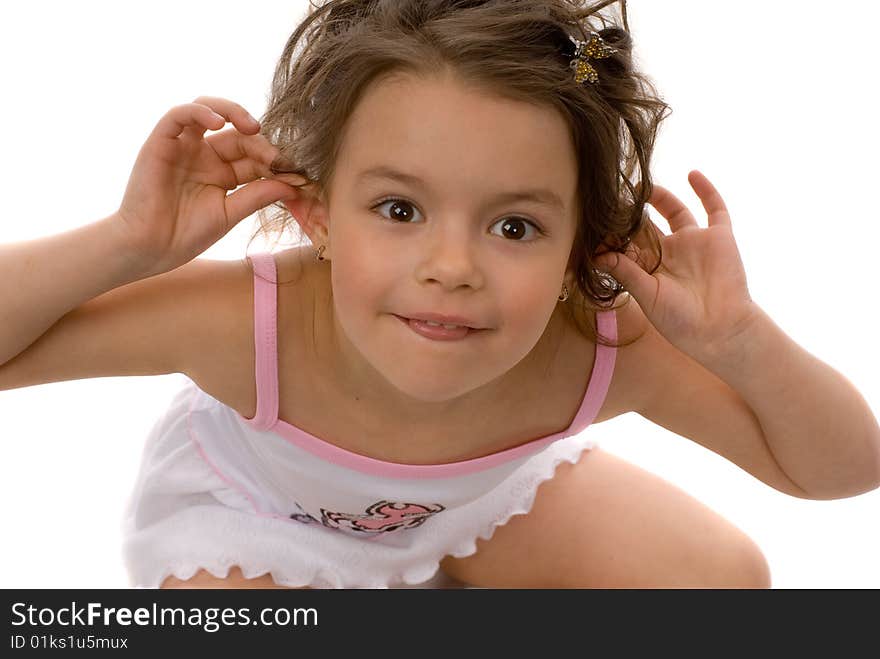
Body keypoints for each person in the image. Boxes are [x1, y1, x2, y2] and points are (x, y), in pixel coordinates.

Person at [1, 0, 878, 590]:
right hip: (249, 520)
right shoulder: (252, 322)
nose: (453, 266)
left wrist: (738, 341)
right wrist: (127, 245)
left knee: (723, 577)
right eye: (399, 209)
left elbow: (841, 470)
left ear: (584, 241)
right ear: (318, 213)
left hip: (472, 512)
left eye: (515, 227)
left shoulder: (602, 349)